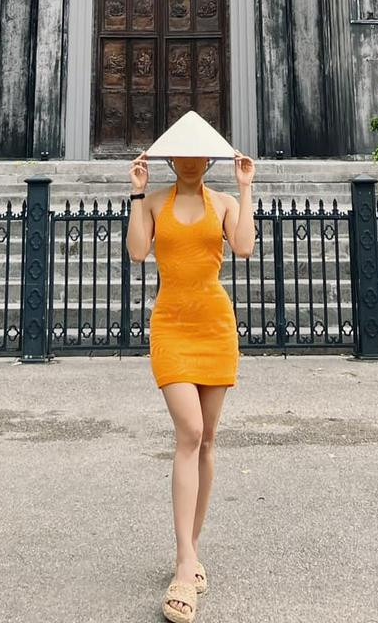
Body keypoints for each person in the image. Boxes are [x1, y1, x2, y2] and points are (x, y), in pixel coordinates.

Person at [127, 145, 256, 621]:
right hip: (172, 327)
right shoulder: (155, 200)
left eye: (197, 155)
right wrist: (137, 194)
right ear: (170, 160)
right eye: (180, 154)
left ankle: (192, 549)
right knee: (190, 432)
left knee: (207, 441)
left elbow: (243, 247)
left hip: (215, 326)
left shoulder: (223, 202)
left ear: (208, 161)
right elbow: (138, 252)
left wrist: (245, 187)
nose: (188, 161)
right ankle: (184, 564)